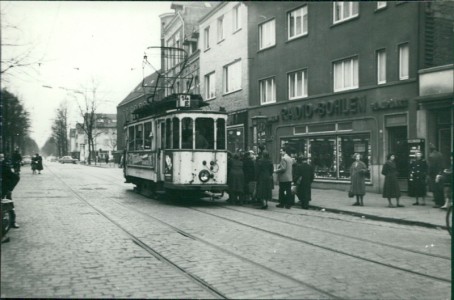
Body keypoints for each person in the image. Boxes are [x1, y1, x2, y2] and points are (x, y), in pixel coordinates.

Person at [1, 153, 20, 230]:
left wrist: (10, 189)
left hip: (4, 189)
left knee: (8, 204)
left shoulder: (5, 167)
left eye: (1, 157)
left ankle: (12, 222)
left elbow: (16, 177)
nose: (1, 159)